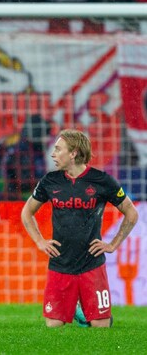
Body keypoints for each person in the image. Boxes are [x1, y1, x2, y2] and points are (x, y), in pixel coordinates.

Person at [21, 129, 138, 328]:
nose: (53, 154)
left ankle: (85, 312)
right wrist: (40, 241)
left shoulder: (102, 180)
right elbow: (26, 212)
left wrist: (112, 245)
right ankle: (75, 307)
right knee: (53, 326)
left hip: (92, 263)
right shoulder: (50, 181)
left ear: (73, 153)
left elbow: (131, 213)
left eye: (58, 149)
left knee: (101, 327)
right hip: (60, 262)